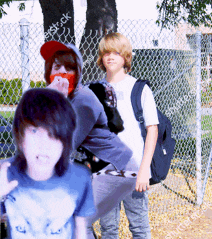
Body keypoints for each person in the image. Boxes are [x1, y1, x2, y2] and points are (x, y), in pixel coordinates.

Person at [39, 40, 138, 238]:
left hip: (118, 168)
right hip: (100, 167)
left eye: (69, 68)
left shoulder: (82, 100)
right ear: (49, 70)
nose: (62, 72)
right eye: (57, 66)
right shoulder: (65, 99)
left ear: (79, 72)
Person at [0, 88, 96, 239]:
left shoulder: (79, 178)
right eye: (34, 132)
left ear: (66, 141)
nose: (44, 145)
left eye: (54, 135)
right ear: (19, 135)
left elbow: (80, 229)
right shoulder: (5, 174)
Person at [97, 32, 159, 238]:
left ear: (126, 56)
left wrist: (144, 171)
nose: (110, 57)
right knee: (108, 230)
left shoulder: (139, 89)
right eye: (106, 52)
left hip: (134, 172)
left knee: (139, 228)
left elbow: (152, 130)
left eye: (116, 52)